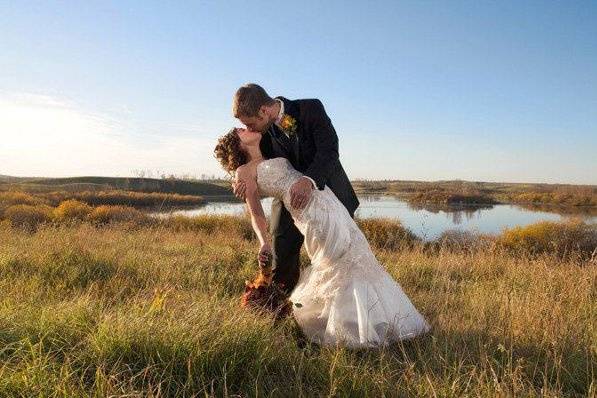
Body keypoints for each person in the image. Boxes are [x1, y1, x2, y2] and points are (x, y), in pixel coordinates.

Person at [214, 128, 431, 348]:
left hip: (326, 198)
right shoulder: (244, 171)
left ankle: (379, 321)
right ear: (237, 144)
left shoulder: (273, 150)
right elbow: (256, 213)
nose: (246, 128)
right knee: (334, 260)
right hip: (307, 211)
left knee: (356, 253)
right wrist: (263, 241)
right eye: (240, 130)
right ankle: (346, 330)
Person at [231, 83, 359, 295]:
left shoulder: (311, 109)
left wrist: (308, 180)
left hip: (331, 197)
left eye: (251, 124)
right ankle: (281, 307)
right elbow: (254, 165)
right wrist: (239, 183)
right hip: (288, 203)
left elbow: (329, 151)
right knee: (283, 258)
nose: (251, 129)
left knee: (340, 257)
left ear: (264, 110)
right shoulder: (261, 134)